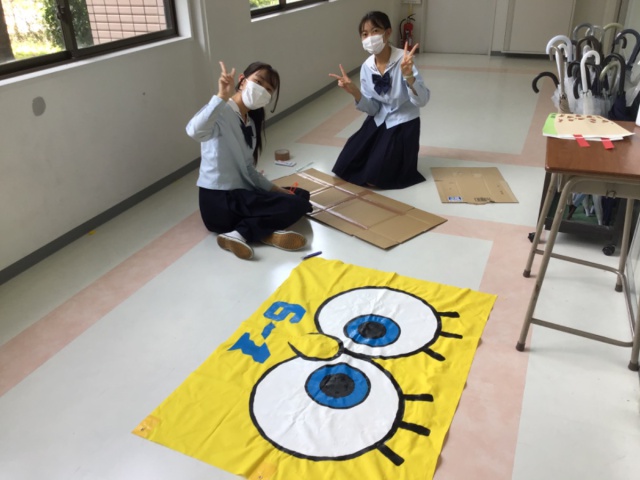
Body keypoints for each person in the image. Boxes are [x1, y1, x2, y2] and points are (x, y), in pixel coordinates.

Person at [186, 61, 312, 260]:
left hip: (239, 197)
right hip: (219, 202)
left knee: (300, 195)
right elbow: (194, 131)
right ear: (243, 81)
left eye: (268, 89)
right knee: (296, 205)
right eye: (258, 82)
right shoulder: (220, 111)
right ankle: (240, 233)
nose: (262, 90)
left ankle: (263, 233)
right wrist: (221, 96)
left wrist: (277, 190)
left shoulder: (250, 124)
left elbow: (248, 168)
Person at [329, 11, 430, 189]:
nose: (370, 38)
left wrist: (409, 77)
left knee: (375, 177)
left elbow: (422, 101)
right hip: (379, 118)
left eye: (375, 31)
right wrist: (355, 92)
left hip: (403, 122)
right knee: (345, 165)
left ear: (388, 32)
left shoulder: (404, 60)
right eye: (364, 34)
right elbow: (374, 109)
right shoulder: (367, 67)